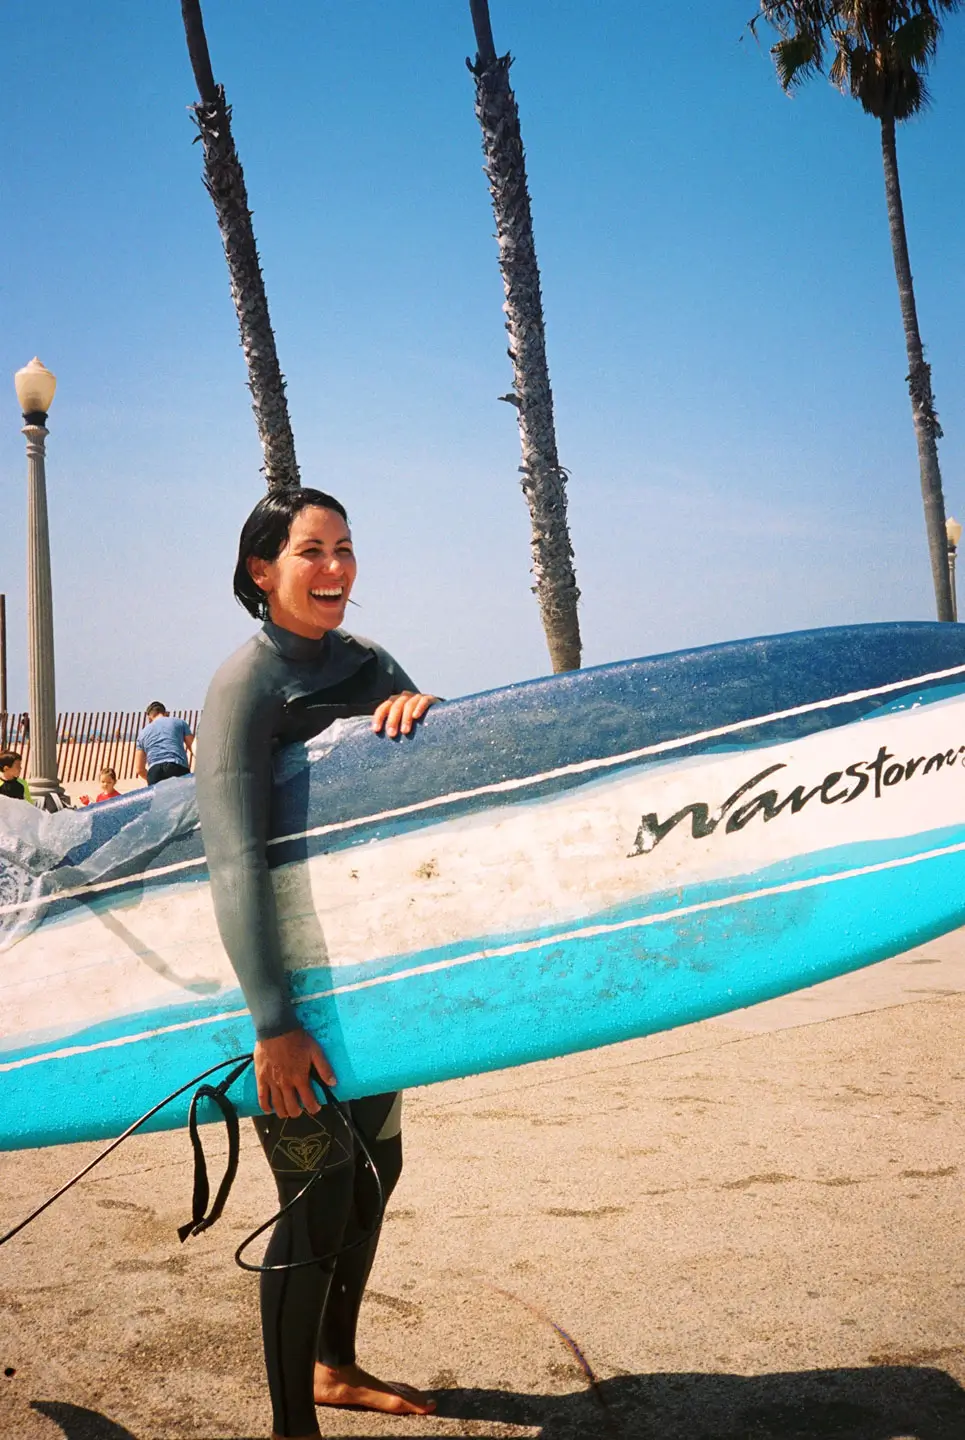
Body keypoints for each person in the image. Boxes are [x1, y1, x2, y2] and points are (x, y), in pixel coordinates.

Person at [195, 487, 438, 1440]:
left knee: (377, 1168)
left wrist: (424, 711)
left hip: (359, 979)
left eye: (344, 548)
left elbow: (428, 784)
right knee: (313, 1198)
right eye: (310, 552)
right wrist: (272, 1023)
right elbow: (231, 862)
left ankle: (334, 1366)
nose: (335, 568)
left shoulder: (371, 663)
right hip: (272, 986)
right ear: (263, 570)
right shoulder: (242, 689)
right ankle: (293, 1426)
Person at [134, 702, 194, 786]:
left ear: (149, 718)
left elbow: (139, 769)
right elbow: (193, 747)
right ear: (165, 713)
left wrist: (151, 779)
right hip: (176, 766)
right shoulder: (179, 722)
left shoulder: (142, 734)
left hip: (154, 772)